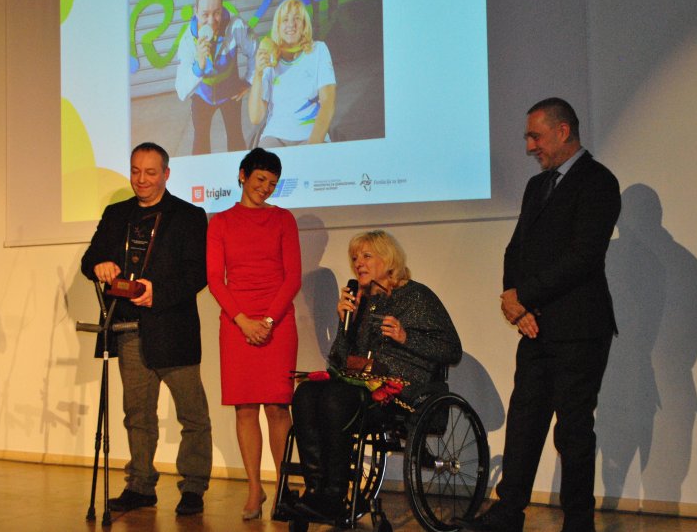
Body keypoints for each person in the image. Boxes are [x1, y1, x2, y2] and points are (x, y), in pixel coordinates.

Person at [459, 98, 621, 532]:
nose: (530, 146)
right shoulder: (538, 186)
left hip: (579, 329)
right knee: (524, 422)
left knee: (573, 430)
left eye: (536, 136)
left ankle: (578, 521)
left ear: (563, 131)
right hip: (535, 328)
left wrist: (525, 296)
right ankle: (508, 513)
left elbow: (584, 257)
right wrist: (515, 304)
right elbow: (516, 249)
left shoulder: (599, 182)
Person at [290, 230, 462, 521]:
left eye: (366, 256)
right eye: (355, 258)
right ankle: (316, 490)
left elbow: (452, 350)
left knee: (335, 399)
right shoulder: (363, 301)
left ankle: (334, 494)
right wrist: (345, 321)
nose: (358, 263)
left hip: (401, 391)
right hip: (359, 385)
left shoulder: (416, 296)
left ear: (388, 259)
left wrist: (406, 337)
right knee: (305, 394)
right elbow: (338, 361)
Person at [81, 142, 212, 516]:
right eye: (136, 171)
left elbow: (197, 274)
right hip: (128, 329)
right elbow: (89, 261)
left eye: (150, 172)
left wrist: (158, 294)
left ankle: (193, 487)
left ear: (166, 174)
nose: (141, 179)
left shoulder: (188, 216)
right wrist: (100, 265)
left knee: (192, 414)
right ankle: (140, 486)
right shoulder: (116, 214)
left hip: (173, 329)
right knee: (137, 415)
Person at [206, 148, 301, 520]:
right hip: (237, 323)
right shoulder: (221, 222)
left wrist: (269, 321)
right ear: (243, 175)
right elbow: (216, 279)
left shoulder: (283, 219)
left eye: (273, 183)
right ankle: (253, 489)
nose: (266, 188)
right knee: (245, 408)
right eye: (261, 179)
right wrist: (243, 321)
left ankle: (284, 487)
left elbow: (292, 277)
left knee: (278, 407)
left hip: (278, 323)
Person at [248, 0, 336, 147]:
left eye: (297, 18)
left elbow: (328, 103)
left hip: (310, 136)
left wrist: (312, 147)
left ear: (304, 25)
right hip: (274, 136)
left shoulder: (318, 50)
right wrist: (258, 74)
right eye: (285, 20)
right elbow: (256, 118)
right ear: (278, 26)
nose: (291, 24)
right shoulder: (270, 57)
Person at [175, 0, 257, 154]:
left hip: (230, 94)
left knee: (236, 139)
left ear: (222, 8)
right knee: (200, 143)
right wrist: (198, 66)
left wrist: (248, 81)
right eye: (205, 14)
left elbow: (255, 50)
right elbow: (181, 91)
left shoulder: (236, 27)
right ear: (196, 12)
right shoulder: (187, 40)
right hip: (202, 97)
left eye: (217, 13)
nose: (211, 21)